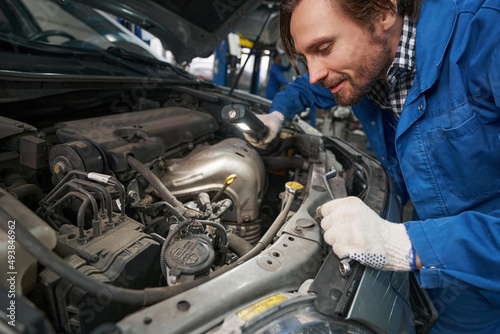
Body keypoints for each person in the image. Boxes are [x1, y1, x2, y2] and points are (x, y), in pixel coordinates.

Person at [248, 0, 500, 332]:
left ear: (383, 12)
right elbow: (305, 91)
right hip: (444, 266)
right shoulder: (368, 68)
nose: (314, 74)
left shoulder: (486, 36)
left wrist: (406, 244)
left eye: (323, 48)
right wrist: (278, 113)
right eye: (305, 57)